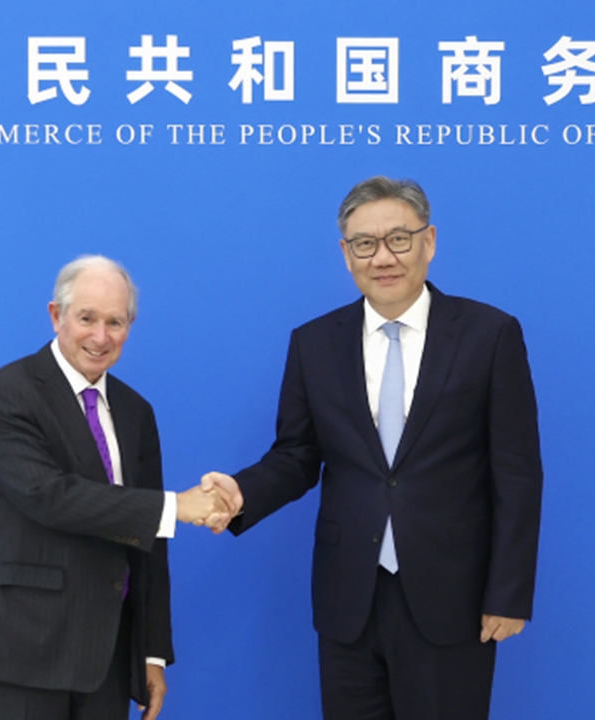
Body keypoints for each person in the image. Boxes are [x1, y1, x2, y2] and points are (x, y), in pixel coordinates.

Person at [203, 177, 544, 720]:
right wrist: (241, 493)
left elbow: (518, 474)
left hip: (452, 596)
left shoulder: (489, 334)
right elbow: (296, 455)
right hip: (349, 598)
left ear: (429, 242)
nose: (382, 257)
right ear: (346, 254)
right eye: (364, 243)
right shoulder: (314, 343)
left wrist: (507, 593)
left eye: (399, 239)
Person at [0, 255, 231, 720]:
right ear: (56, 315)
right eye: (86, 318)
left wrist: (151, 653)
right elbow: (50, 497)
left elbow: (150, 540)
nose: (100, 337)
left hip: (108, 656)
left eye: (115, 322)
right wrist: (178, 507)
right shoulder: (3, 395)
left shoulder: (135, 411)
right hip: (21, 652)